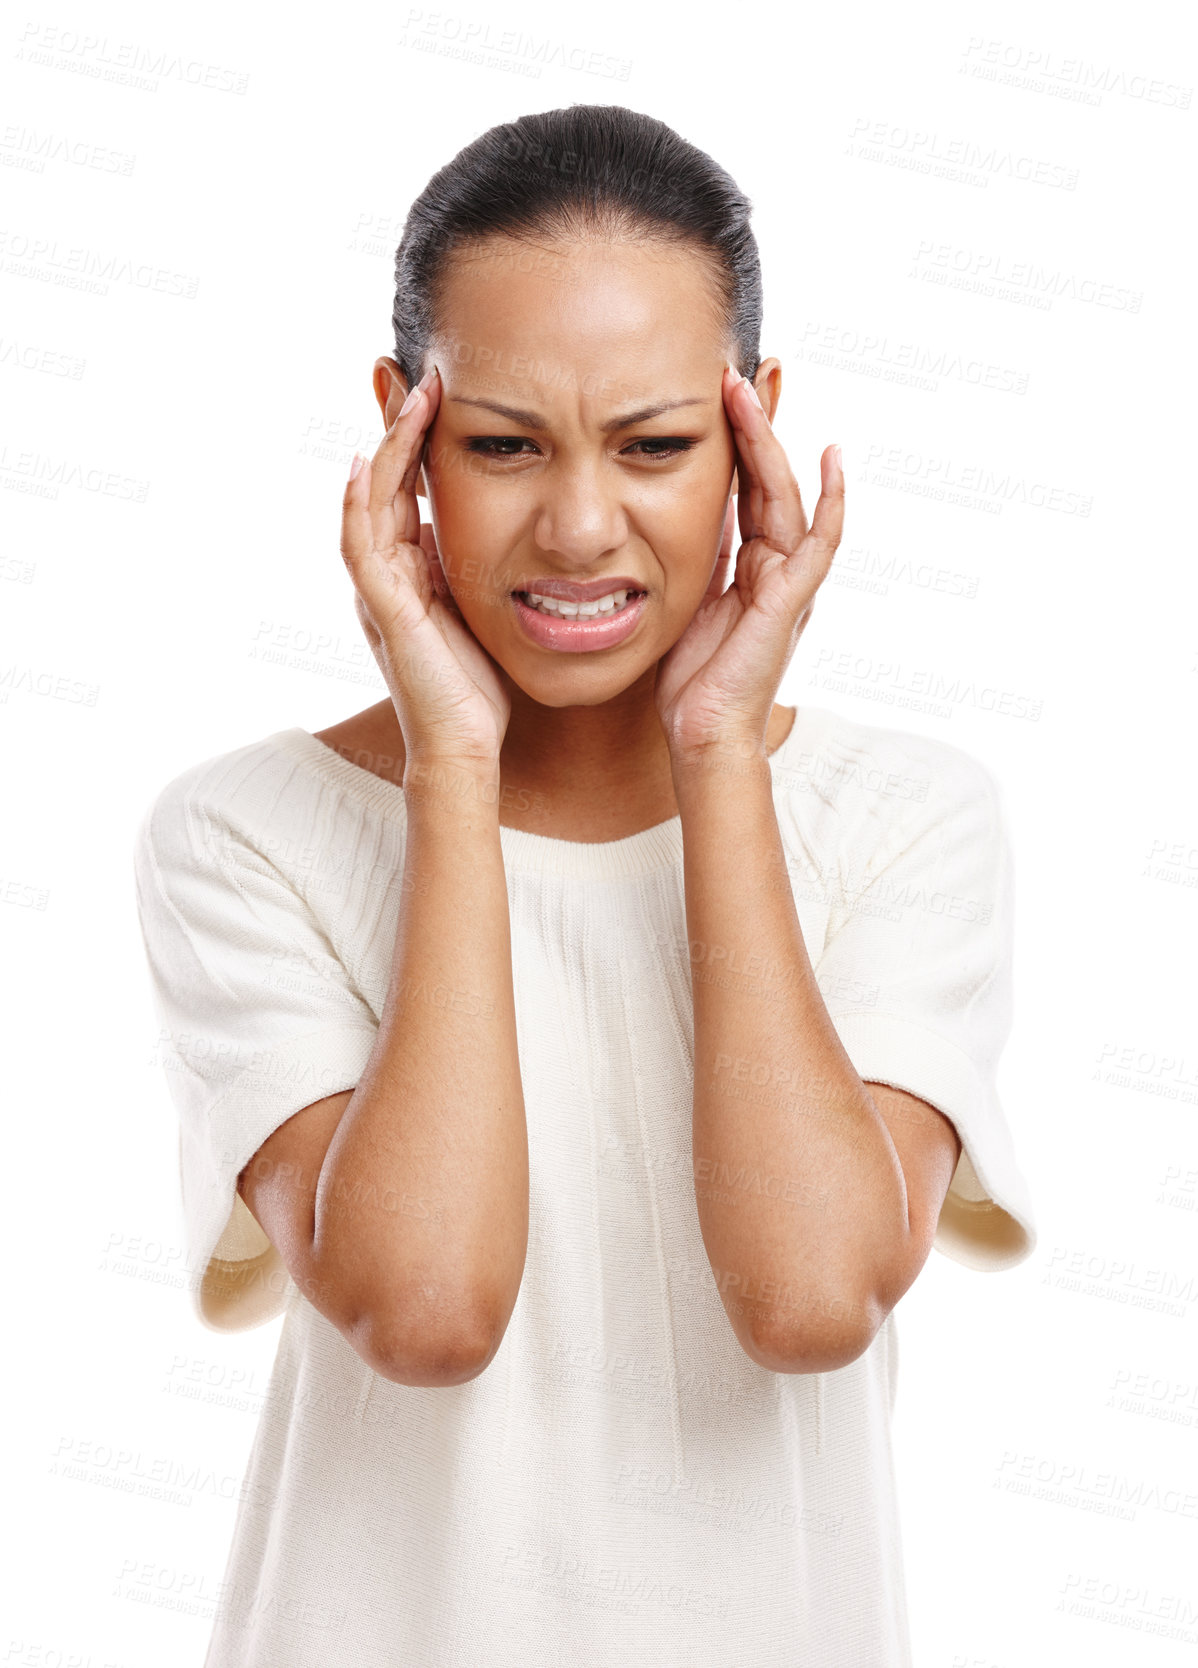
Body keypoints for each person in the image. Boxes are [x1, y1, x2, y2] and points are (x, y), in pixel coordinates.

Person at [133, 103, 1037, 1667]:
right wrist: (454, 772)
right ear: (399, 428)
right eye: (498, 445)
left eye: (656, 445)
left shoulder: (900, 823)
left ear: (752, 425)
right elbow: (424, 1311)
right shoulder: (248, 835)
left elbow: (811, 1297)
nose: (575, 526)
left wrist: (719, 752)